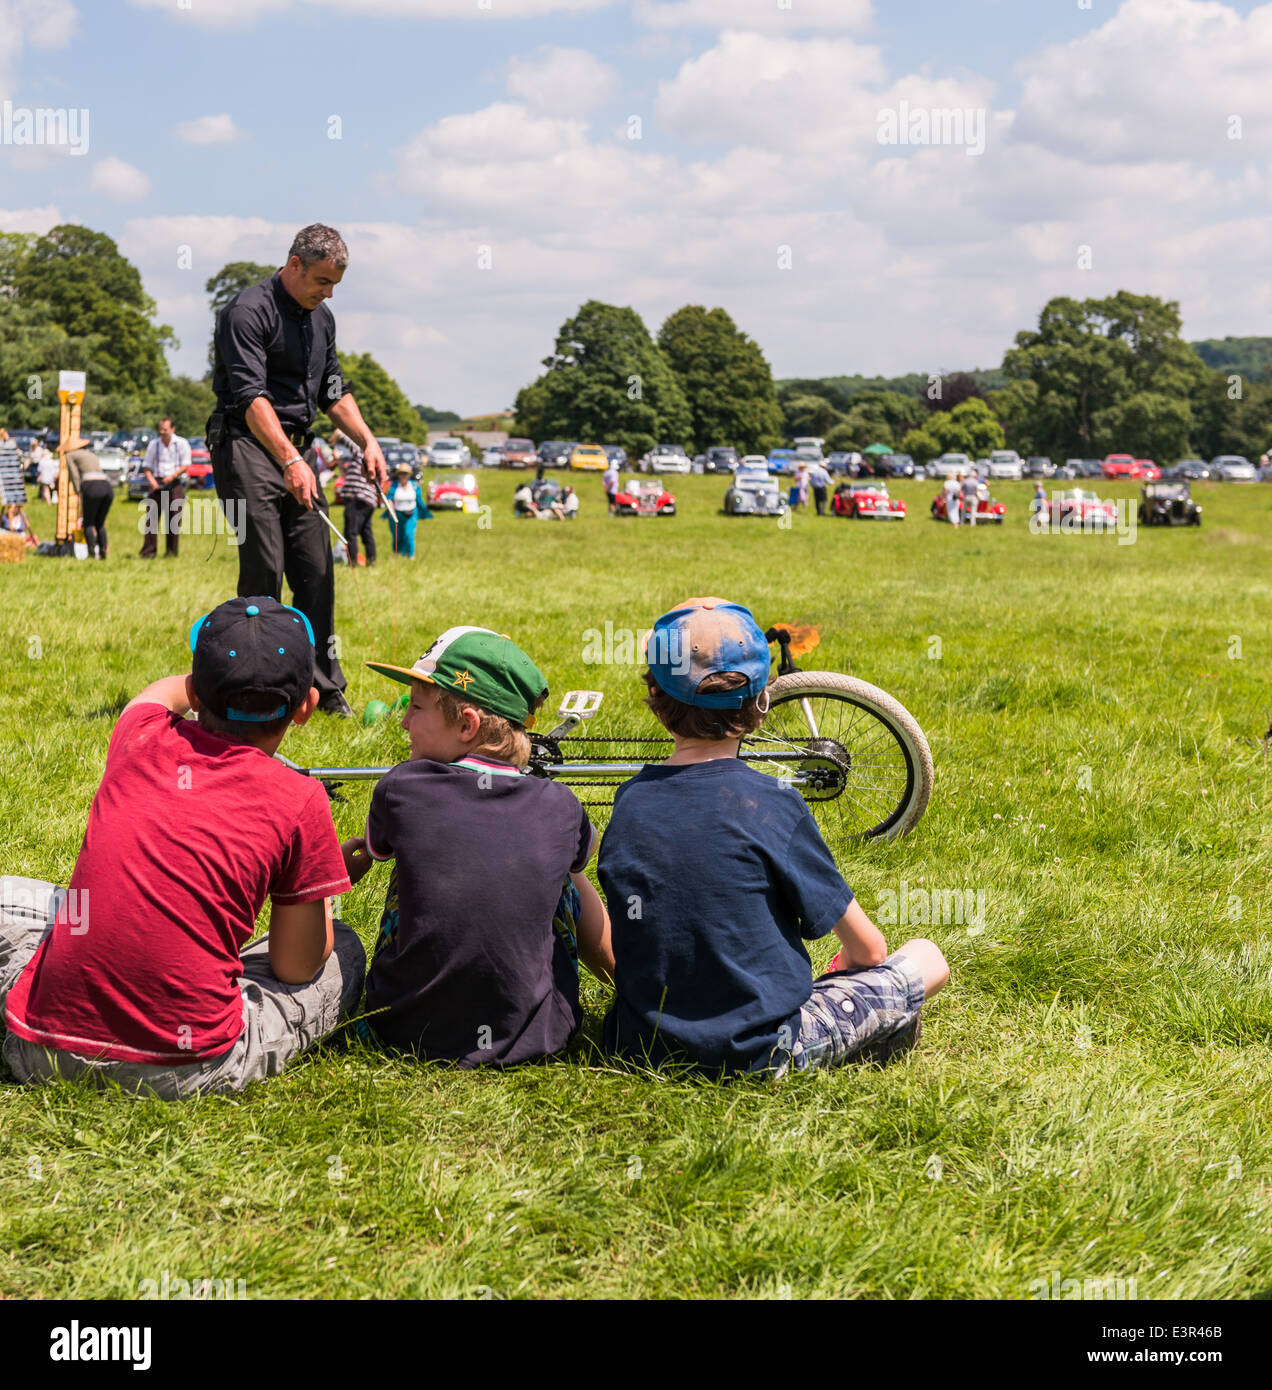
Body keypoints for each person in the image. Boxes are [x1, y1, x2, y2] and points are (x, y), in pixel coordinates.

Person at [0, 596, 366, 1098]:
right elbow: (295, 966)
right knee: (343, 948)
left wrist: (203, 682)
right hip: (188, 1069)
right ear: (306, 706)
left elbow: (162, 692)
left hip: (38, 1049)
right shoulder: (301, 800)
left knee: (50, 906)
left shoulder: (140, 734)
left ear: (195, 692)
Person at [596, 597, 948, 1078]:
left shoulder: (629, 801)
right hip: (762, 1051)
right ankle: (870, 1036)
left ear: (655, 698)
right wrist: (845, 964)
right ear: (763, 702)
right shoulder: (774, 804)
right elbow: (870, 951)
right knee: (926, 957)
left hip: (639, 1046)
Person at [340, 627, 614, 1064]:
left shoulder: (401, 788)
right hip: (541, 1037)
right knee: (566, 870)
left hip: (398, 1030)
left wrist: (335, 869)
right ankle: (621, 978)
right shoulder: (561, 805)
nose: (405, 721)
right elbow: (585, 849)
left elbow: (381, 851)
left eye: (415, 707)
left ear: (467, 724)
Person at [209, 223, 389, 719]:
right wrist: (289, 459)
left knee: (316, 568)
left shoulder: (322, 319)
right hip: (246, 443)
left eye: (334, 285)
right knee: (264, 568)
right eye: (321, 282)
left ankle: (324, 689)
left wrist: (367, 440)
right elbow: (249, 397)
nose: (328, 293)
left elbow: (333, 390)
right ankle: (258, 688)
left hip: (297, 450)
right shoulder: (247, 312)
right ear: (293, 266)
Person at [139, 418, 191, 558]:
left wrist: (173, 476)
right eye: (160, 429)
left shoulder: (181, 443)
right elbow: (147, 465)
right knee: (151, 519)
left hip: (174, 482)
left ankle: (171, 552)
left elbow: (186, 464)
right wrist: (151, 481)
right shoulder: (153, 444)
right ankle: (149, 552)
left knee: (173, 519)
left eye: (165, 430)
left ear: (172, 429)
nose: (162, 432)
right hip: (157, 482)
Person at [63, 433, 113, 559]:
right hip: (107, 486)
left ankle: (91, 552)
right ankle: (103, 551)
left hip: (91, 487)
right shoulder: (91, 454)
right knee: (100, 523)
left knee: (88, 522)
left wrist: (78, 492)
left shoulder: (70, 455)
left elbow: (74, 475)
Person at [334, 432, 377, 567]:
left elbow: (347, 440)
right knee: (366, 531)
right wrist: (339, 461)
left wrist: (337, 434)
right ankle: (371, 561)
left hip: (357, 497)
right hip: (369, 500)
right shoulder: (365, 459)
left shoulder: (362, 450)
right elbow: (347, 474)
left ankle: (352, 562)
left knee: (350, 532)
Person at [383, 463, 429, 557]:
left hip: (411, 513)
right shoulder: (394, 485)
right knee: (397, 536)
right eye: (401, 473)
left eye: (405, 473)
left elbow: (419, 499)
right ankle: (397, 554)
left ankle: (411, 555)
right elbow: (389, 499)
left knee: (409, 535)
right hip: (397, 513)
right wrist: (392, 513)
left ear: (409, 475)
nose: (403, 476)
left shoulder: (414, 486)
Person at [32, 439, 58, 505]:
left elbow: (39, 470)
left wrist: (38, 477)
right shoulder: (52, 461)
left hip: (45, 477)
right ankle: (43, 500)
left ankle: (49, 502)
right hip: (51, 477)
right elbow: (54, 470)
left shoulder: (42, 462)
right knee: (46, 489)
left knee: (46, 489)